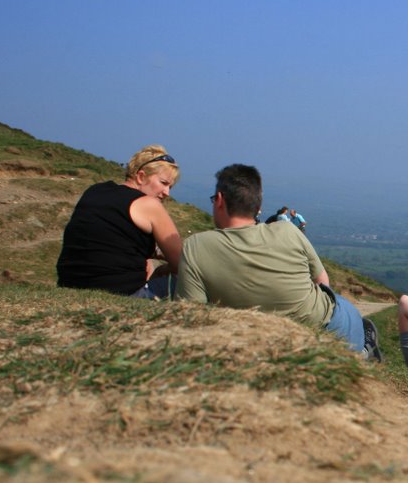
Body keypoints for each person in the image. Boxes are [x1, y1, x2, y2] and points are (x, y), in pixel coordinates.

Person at [176, 164, 382, 360]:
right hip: (330, 328)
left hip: (259, 341)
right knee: (340, 305)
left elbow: (194, 317)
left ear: (219, 199)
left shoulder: (195, 246)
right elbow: (322, 279)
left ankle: (360, 348)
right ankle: (362, 350)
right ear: (258, 204)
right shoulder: (287, 230)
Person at [56, 145, 183, 299]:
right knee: (190, 280)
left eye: (170, 186)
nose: (167, 193)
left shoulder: (95, 191)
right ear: (141, 176)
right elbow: (182, 263)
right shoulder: (149, 205)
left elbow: (112, 240)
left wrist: (150, 256)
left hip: (69, 285)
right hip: (123, 292)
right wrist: (161, 271)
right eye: (163, 183)